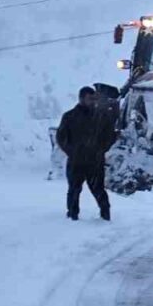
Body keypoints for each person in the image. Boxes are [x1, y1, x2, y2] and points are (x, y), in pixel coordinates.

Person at [55, 86, 117, 221]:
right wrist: (72, 151)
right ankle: (72, 216)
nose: (93, 102)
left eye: (94, 99)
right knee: (74, 190)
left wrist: (101, 150)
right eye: (90, 99)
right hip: (76, 161)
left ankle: (105, 216)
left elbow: (110, 136)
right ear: (81, 99)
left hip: (95, 161)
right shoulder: (70, 117)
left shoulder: (102, 117)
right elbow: (61, 137)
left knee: (98, 189)